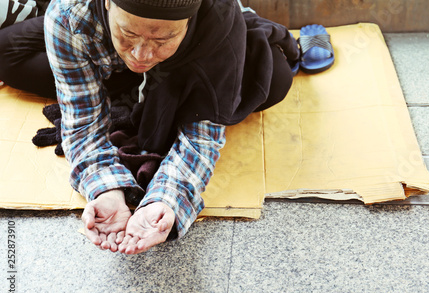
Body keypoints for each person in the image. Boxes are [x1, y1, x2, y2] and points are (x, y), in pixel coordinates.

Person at [0, 0, 299, 254]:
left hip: (198, 53)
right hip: (106, 53)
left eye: (162, 39)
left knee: (273, 78)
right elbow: (83, 124)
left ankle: (153, 88)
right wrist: (104, 187)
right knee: (6, 54)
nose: (141, 54)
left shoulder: (218, 20)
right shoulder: (69, 15)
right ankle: (141, 87)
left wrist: (167, 200)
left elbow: (202, 137)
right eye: (127, 34)